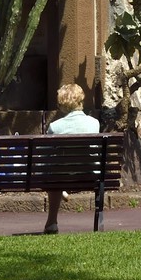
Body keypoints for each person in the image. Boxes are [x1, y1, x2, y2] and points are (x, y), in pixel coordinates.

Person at [42, 83, 100, 235]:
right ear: (81, 101)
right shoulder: (94, 123)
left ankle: (52, 222)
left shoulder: (55, 127)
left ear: (62, 105)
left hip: (62, 176)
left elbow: (46, 156)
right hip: (90, 175)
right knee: (58, 174)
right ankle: (99, 222)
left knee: (55, 175)